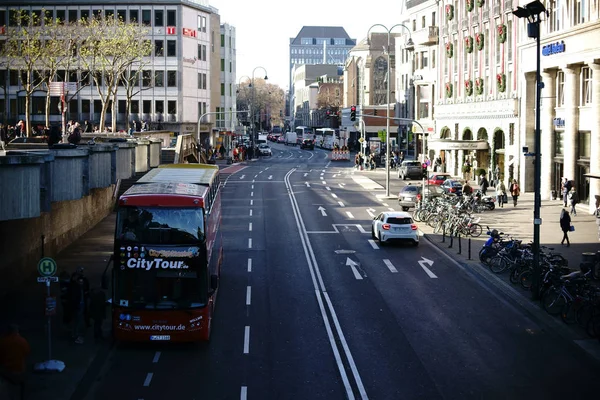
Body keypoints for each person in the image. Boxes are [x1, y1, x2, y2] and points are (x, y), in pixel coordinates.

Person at [0, 323, 30, 400]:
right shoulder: (22, 341)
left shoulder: (3, 341)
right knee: (24, 384)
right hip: (19, 371)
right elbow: (27, 353)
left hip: (6, 371)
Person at [69, 269, 90, 344]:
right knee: (77, 321)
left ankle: (75, 334)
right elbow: (73, 297)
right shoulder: (75, 287)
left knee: (78, 320)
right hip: (77, 306)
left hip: (80, 305)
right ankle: (76, 335)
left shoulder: (78, 287)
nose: (81, 281)